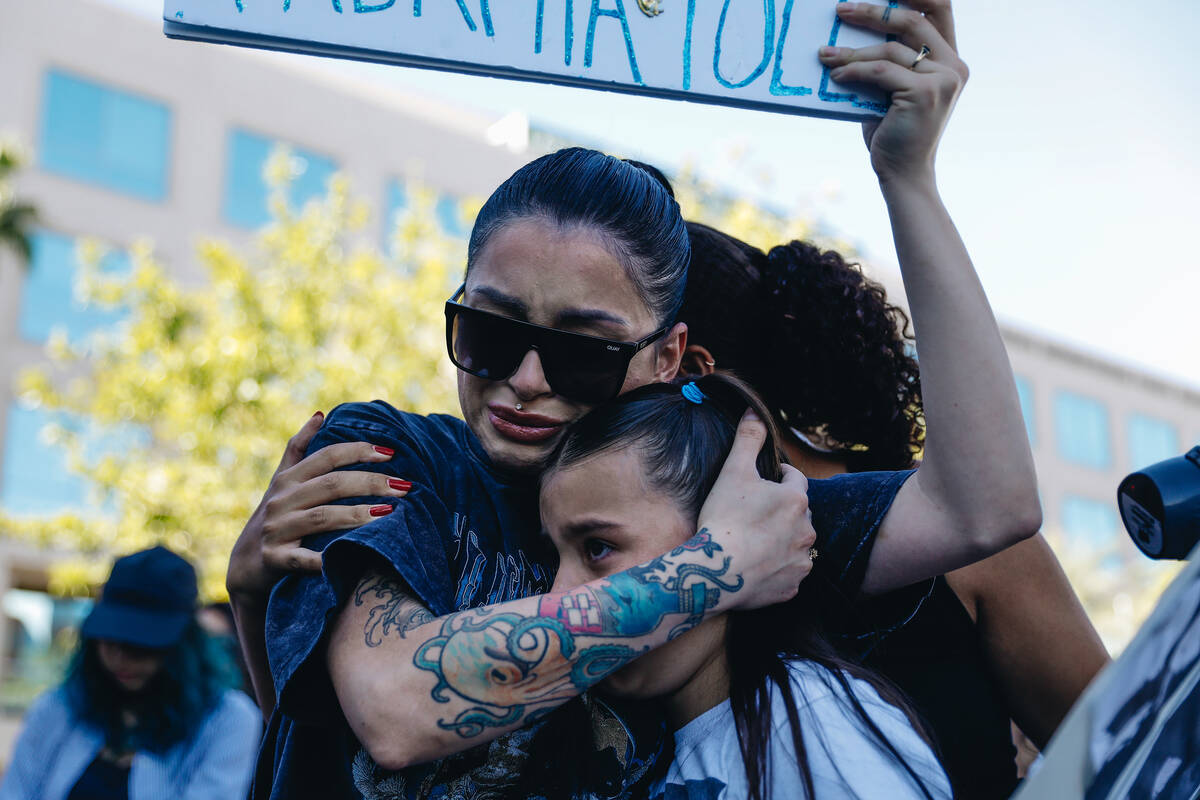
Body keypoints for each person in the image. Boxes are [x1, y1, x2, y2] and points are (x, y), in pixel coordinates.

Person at [227, 2, 1041, 796]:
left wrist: (909, 177)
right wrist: (712, 571)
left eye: (583, 351)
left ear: (668, 357)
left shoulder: (704, 494)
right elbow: (395, 711)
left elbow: (987, 508)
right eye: (490, 333)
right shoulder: (392, 455)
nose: (528, 379)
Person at [677, 222, 1110, 798]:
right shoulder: (658, 556)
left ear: (687, 367)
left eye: (593, 349)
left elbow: (1135, 758)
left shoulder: (969, 547)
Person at [536, 373, 952, 800]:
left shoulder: (808, 725)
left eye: (598, 547)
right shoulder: (639, 753)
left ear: (732, 530)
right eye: (555, 558)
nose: (558, 593)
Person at [0, 546, 260, 800]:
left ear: (182, 646)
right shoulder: (60, 707)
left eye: (141, 644)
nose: (120, 657)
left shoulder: (226, 719)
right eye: (109, 640)